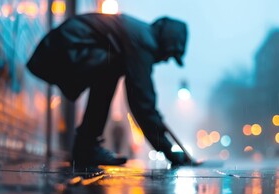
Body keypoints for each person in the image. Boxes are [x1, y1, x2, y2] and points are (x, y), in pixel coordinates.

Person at [27, 13, 192, 170]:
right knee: (111, 67)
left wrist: (162, 138)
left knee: (112, 65)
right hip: (63, 50)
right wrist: (169, 151)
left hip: (60, 47)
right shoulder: (143, 41)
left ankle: (86, 146)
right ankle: (86, 147)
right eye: (169, 55)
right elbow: (142, 103)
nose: (165, 60)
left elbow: (141, 102)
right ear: (167, 43)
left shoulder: (140, 35)